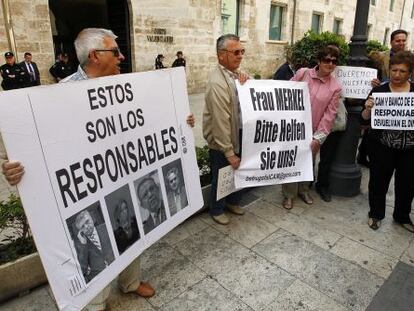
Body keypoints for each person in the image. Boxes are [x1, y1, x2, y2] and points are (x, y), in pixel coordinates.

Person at [2, 28, 155, 311]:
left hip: (122, 177)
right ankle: (98, 303)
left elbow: (147, 124)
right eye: (115, 52)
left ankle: (131, 282)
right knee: (100, 245)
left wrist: (182, 122)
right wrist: (11, 166)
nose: (122, 57)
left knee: (131, 229)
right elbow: (23, 148)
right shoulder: (60, 95)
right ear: (95, 55)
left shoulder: (125, 87)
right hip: (89, 188)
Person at [282, 45, 342, 208]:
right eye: (326, 60)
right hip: (293, 128)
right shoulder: (303, 73)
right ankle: (288, 194)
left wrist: (319, 137)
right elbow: (284, 93)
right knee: (291, 160)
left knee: (309, 161)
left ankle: (304, 190)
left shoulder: (335, 86)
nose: (330, 64)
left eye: (334, 61)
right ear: (319, 60)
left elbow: (329, 115)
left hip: (313, 131)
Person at [361, 51, 414, 233]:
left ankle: (402, 216)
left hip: (409, 149)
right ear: (389, 70)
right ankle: (375, 214)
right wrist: (368, 108)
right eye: (394, 70)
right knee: (378, 181)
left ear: (410, 73)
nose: (397, 75)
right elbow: (364, 118)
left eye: (402, 71)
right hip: (382, 145)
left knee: (407, 183)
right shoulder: (379, 90)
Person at [203, 33, 247, 225]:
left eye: (242, 51)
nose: (240, 56)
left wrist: (246, 79)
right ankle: (217, 209)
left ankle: (232, 202)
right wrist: (229, 152)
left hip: (238, 134)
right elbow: (220, 122)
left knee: (236, 173)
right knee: (222, 175)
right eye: (235, 52)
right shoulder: (216, 82)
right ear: (221, 55)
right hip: (222, 141)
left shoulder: (235, 74)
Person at [74, 210, 114, 283]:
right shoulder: (81, 246)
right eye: (82, 226)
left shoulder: (106, 227)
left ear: (92, 219)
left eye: (87, 221)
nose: (86, 227)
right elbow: (82, 271)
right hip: (101, 279)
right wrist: (83, 244)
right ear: (80, 231)